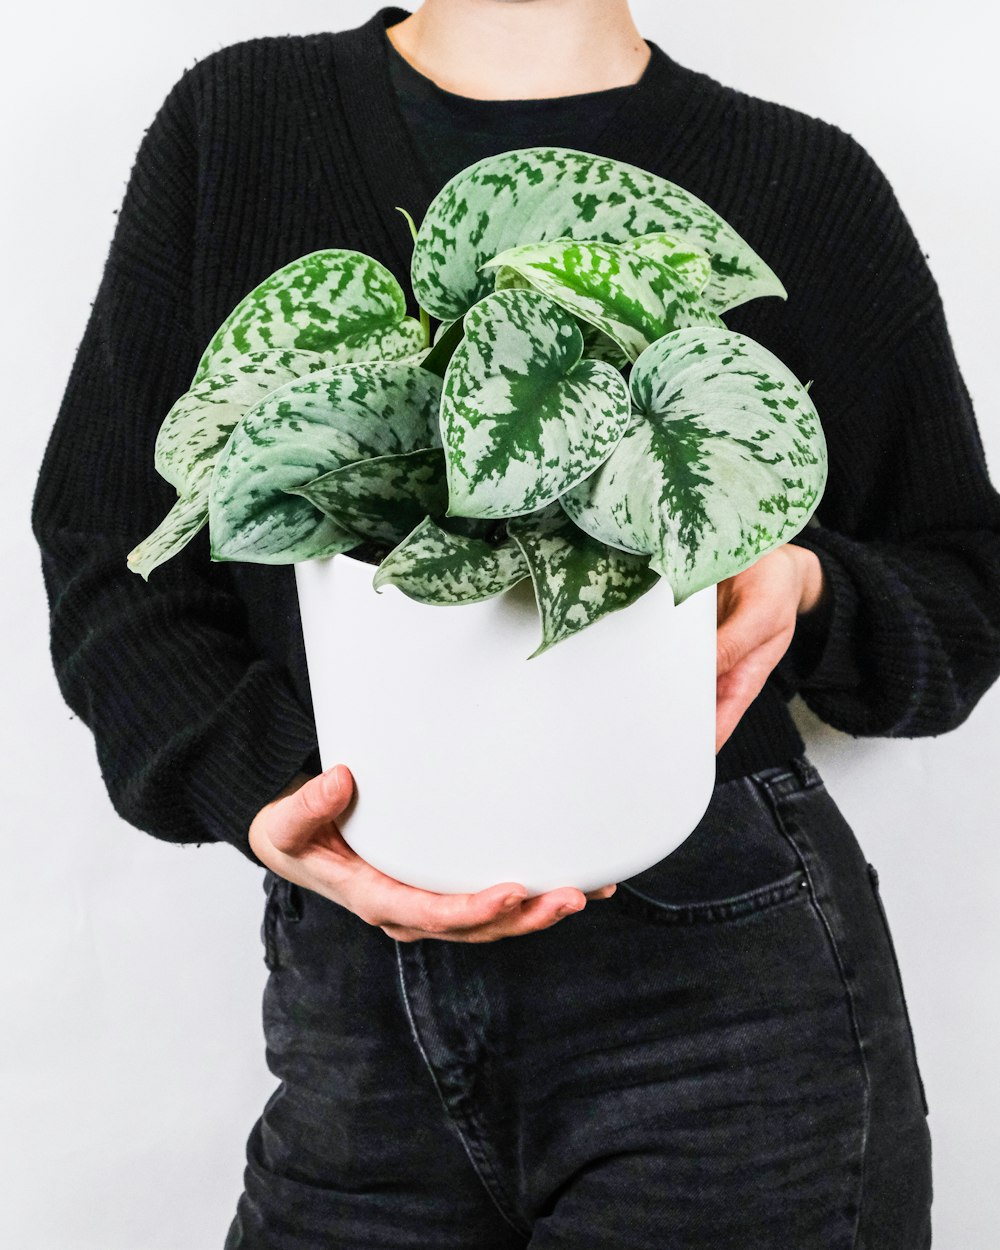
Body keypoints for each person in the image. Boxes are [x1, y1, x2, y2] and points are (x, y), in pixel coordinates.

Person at [30, 1, 1000, 1245]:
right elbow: (115, 542)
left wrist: (804, 585)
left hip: (722, 991)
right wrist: (263, 784)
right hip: (356, 1010)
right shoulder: (242, 122)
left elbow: (964, 584)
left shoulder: (799, 178)